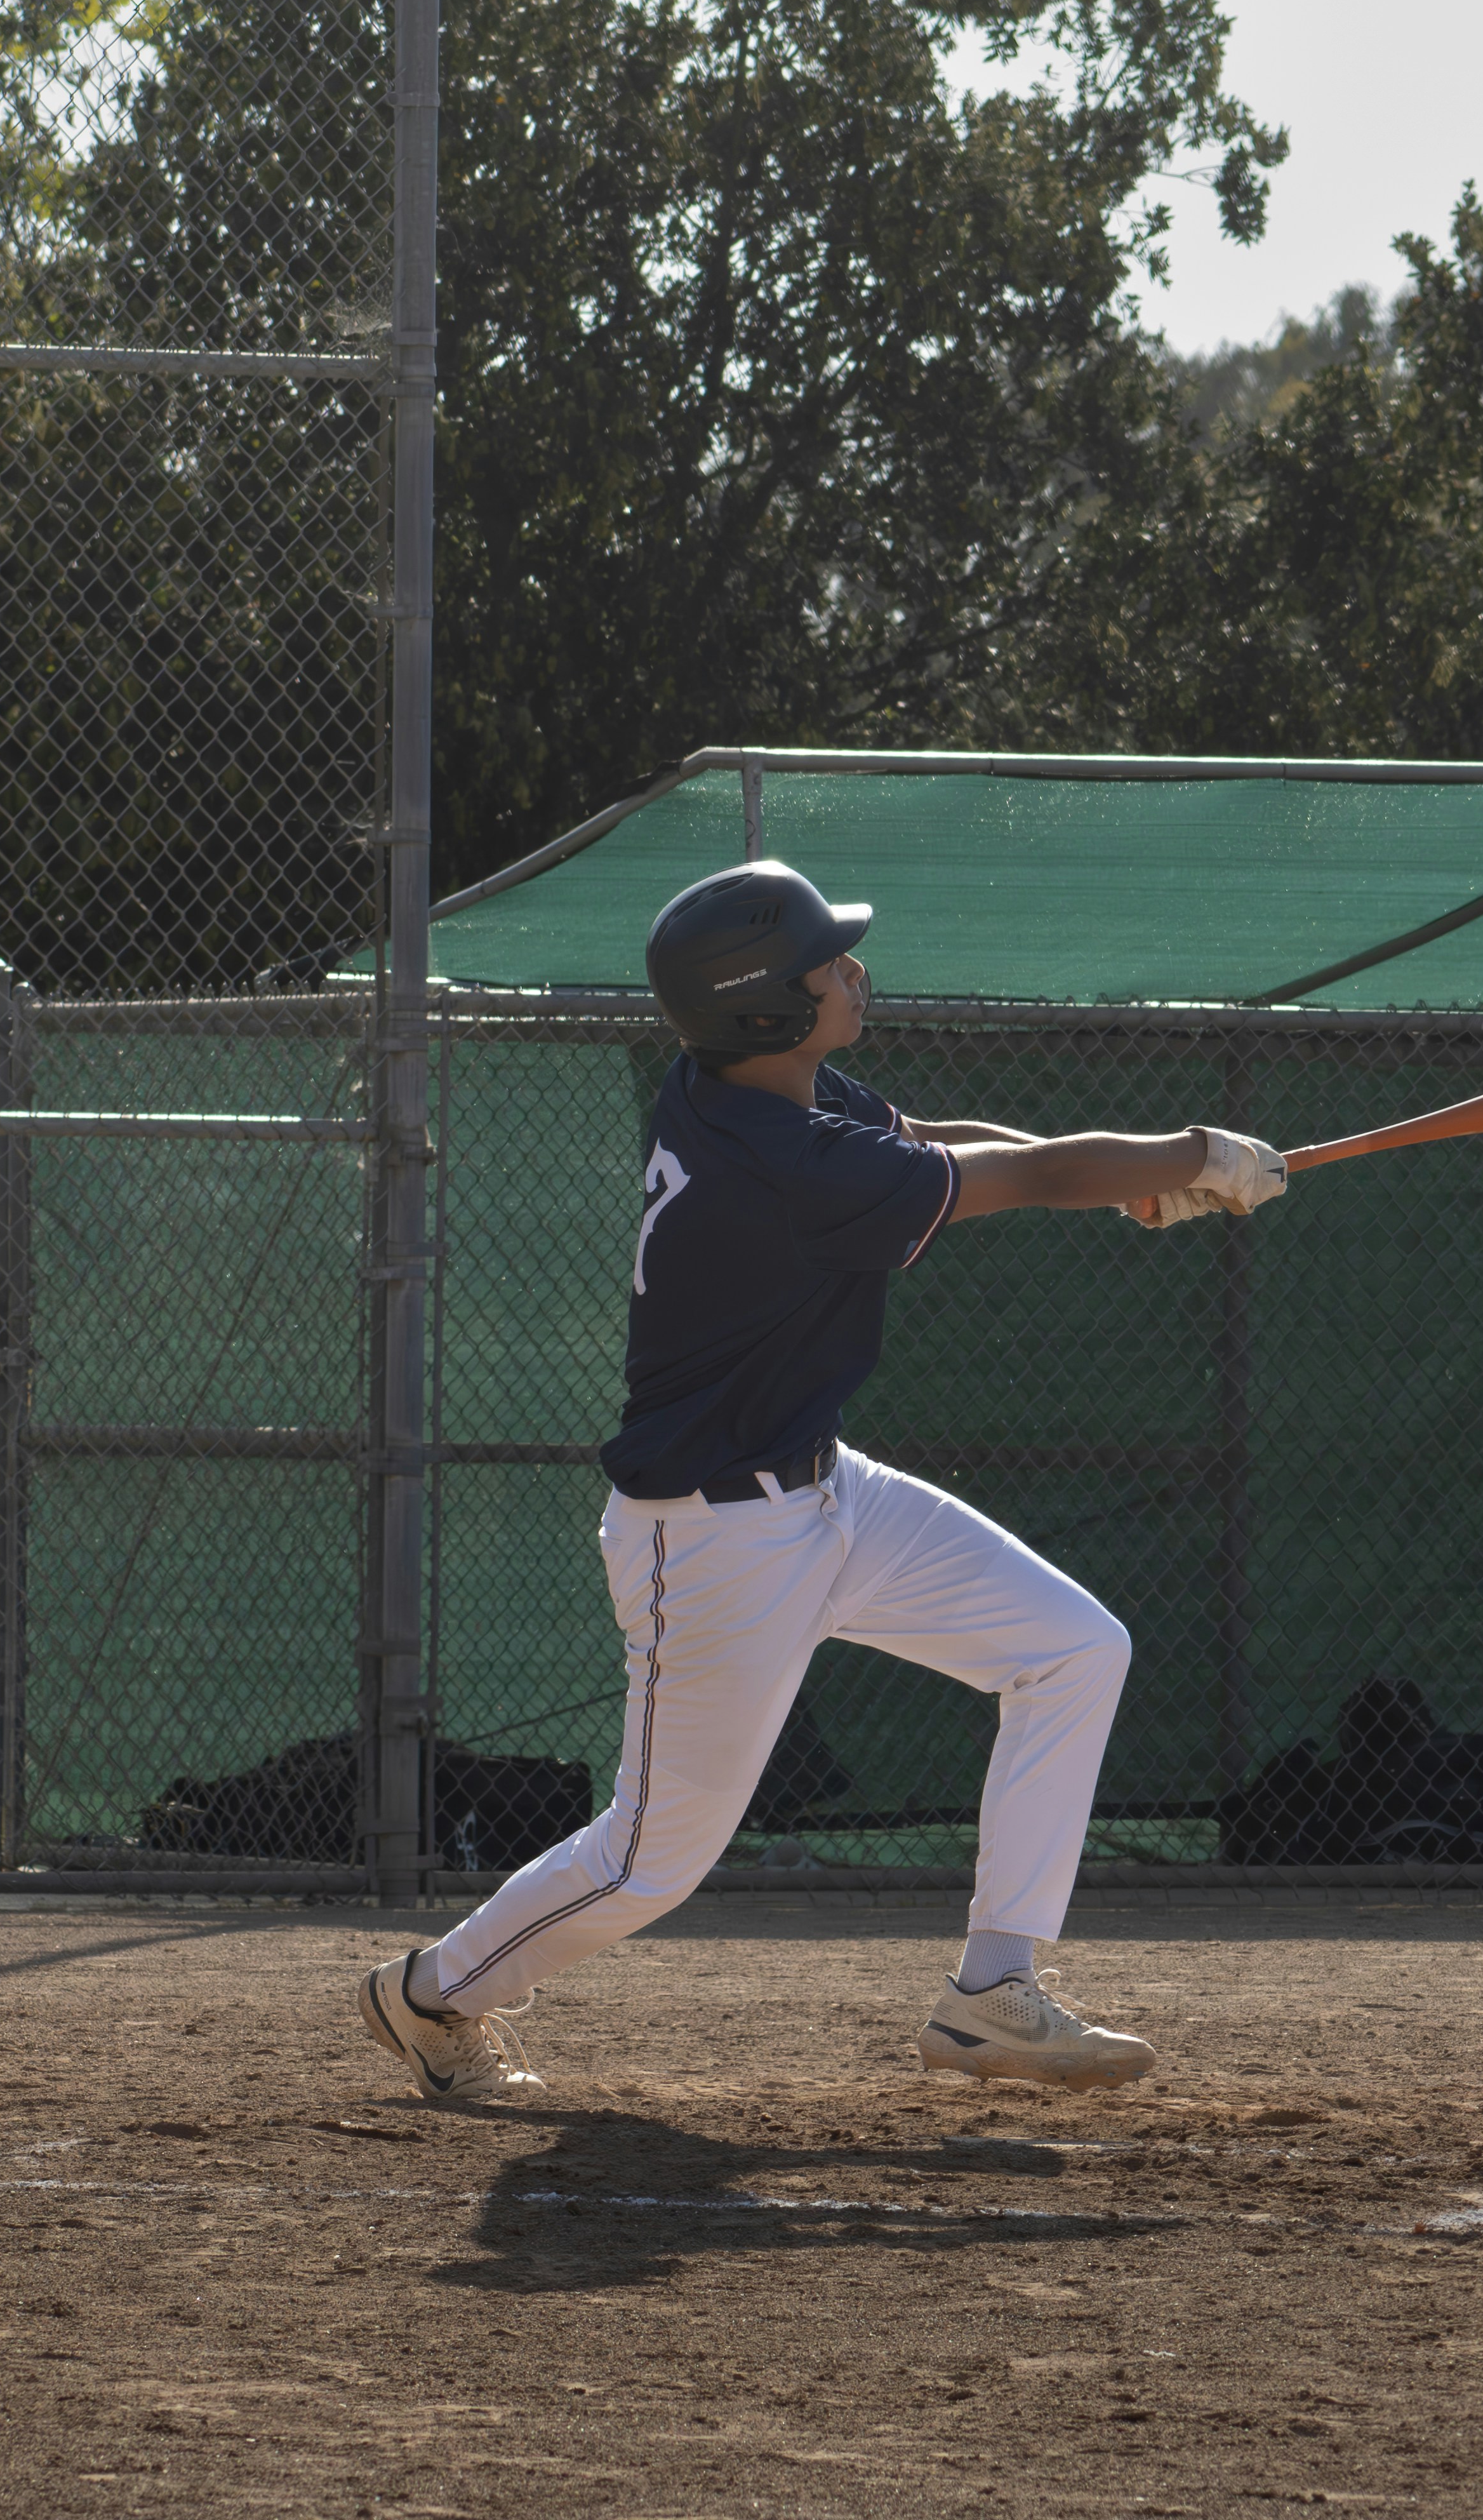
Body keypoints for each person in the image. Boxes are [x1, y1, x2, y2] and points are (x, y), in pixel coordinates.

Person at [352, 860, 1285, 2102]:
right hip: (715, 1542)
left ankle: (991, 1993)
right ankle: (430, 1994)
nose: (852, 968)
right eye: (824, 962)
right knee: (652, 1861)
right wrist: (1194, 1150)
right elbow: (1037, 1175)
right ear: (765, 1009)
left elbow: (941, 1145)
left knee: (1073, 1646)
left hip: (828, 1493)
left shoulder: (742, 1089)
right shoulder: (786, 1163)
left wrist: (1143, 1185)